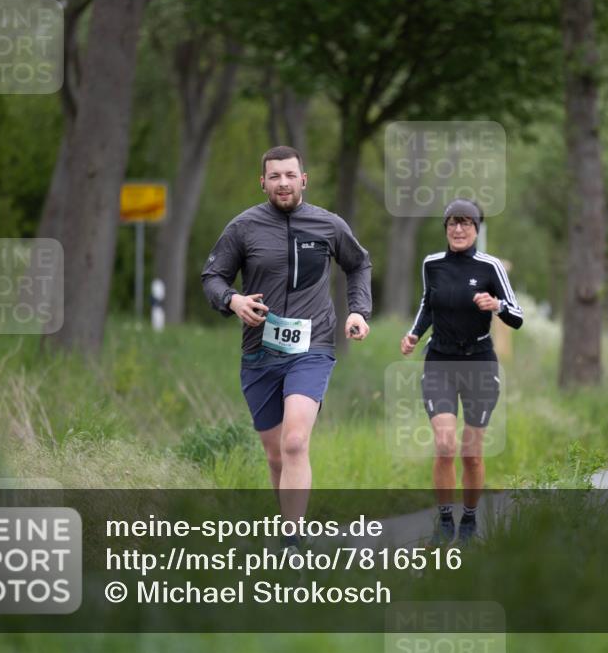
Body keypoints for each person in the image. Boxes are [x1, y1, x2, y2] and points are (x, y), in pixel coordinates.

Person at [201, 145, 372, 550]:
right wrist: (234, 301)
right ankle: (287, 528)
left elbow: (359, 264)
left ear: (303, 180)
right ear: (262, 182)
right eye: (274, 176)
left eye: (290, 175)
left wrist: (358, 311)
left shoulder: (328, 225)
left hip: (313, 347)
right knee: (277, 455)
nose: (283, 183)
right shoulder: (242, 228)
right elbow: (213, 277)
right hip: (259, 353)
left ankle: (291, 543)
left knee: (295, 442)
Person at [400, 199, 523, 545]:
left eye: (466, 223)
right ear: (445, 228)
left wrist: (496, 305)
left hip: (479, 362)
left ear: (476, 228)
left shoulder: (491, 267)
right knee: (444, 445)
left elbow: (518, 315)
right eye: (452, 223)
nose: (458, 229)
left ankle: (469, 518)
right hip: (440, 359)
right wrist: (413, 334)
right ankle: (443, 521)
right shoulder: (432, 264)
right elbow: (427, 303)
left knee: (471, 452)